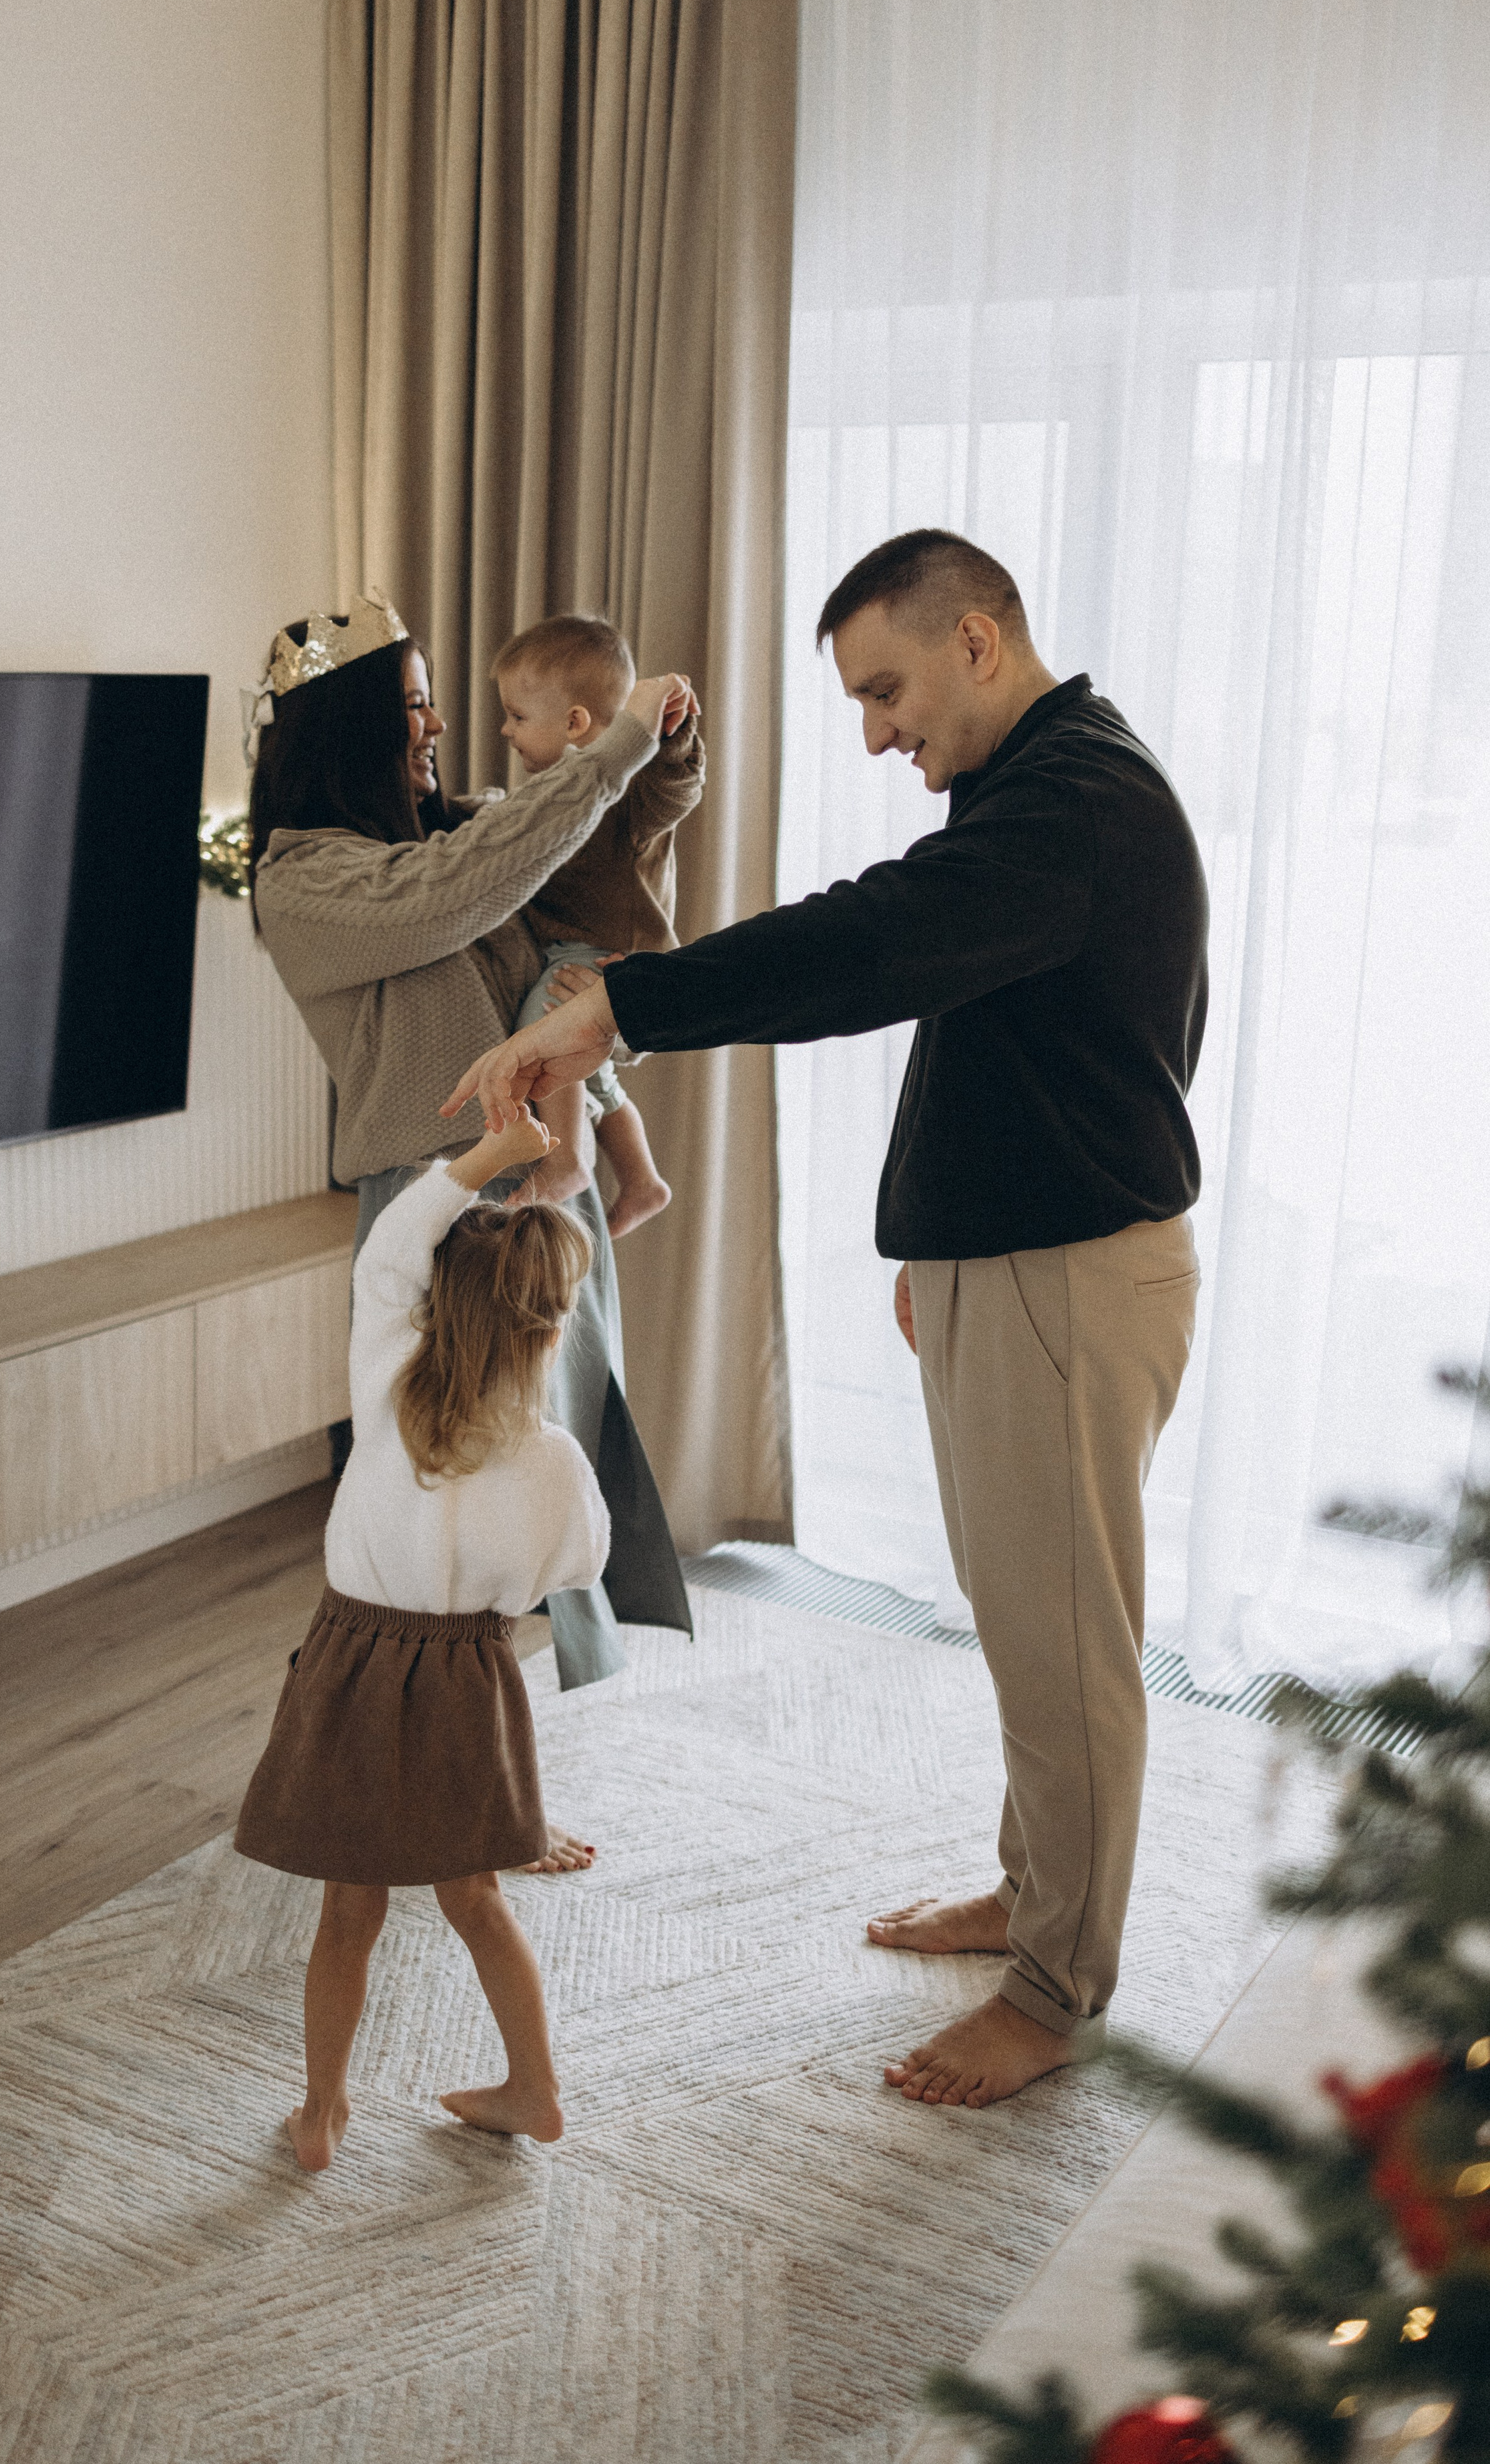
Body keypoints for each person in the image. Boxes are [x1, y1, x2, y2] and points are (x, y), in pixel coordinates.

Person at [442, 528, 1211, 2109]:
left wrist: (615, 1005)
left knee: (1065, 1648)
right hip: (1022, 1256)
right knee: (1023, 1615)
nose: (872, 732)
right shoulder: (1034, 785)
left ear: (975, 640)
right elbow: (1000, 1033)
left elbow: (868, 943)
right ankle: (1035, 1895)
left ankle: (1055, 1990)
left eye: (883, 689)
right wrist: (939, 1234)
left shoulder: (1070, 803)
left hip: (1067, 1275)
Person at [244, 598, 695, 1811]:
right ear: (351, 727)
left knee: (543, 1486)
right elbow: (457, 890)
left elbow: (607, 862)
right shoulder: (307, 879)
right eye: (412, 704)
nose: (437, 725)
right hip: (438, 1216)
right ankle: (397, 1787)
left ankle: (487, 1786)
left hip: (541, 1198)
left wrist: (664, 750)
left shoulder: (463, 831)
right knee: (436, 1522)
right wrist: (612, 747)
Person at [234, 1111, 599, 2167]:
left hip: (354, 1664)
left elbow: (389, 1252)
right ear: (547, 1331)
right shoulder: (552, 1459)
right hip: (468, 1675)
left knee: (348, 1911)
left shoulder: (388, 1379)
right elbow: (573, 1568)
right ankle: (534, 2088)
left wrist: (485, 1158)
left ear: (436, 1304)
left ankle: (321, 2114)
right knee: (477, 1900)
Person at [491, 612, 705, 1239]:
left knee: (545, 1029)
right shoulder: (543, 795)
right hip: (568, 950)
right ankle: (642, 1181)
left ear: (575, 723)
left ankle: (566, 1162)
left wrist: (672, 736)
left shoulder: (624, 795)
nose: (505, 730)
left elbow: (675, 789)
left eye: (517, 716)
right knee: (593, 1068)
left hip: (605, 953)